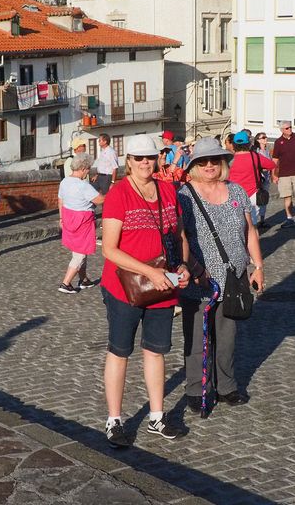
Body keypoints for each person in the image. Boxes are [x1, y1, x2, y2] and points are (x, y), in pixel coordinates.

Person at [100, 134, 190, 447]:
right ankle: (114, 420)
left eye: (150, 157)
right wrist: (150, 270)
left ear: (159, 158)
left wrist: (184, 266)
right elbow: (109, 250)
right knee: (120, 352)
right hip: (124, 287)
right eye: (139, 158)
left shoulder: (168, 190)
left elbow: (179, 236)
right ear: (129, 162)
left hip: (162, 286)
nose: (145, 163)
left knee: (156, 350)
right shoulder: (119, 194)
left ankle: (157, 416)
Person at [178, 137, 265, 413]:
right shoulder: (184, 196)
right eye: (202, 161)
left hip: (233, 276)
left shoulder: (237, 192)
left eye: (215, 160)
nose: (209, 166)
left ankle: (226, 386)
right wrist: (193, 268)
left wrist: (258, 266)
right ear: (193, 165)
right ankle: (197, 388)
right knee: (196, 338)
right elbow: (179, 238)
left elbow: (249, 230)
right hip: (199, 279)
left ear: (223, 163)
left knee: (227, 336)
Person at [58, 152, 105, 293]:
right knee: (80, 254)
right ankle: (65, 283)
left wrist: (61, 219)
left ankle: (83, 279)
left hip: (68, 217)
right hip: (82, 220)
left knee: (78, 250)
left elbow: (61, 201)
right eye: (88, 168)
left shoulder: (64, 181)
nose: (88, 172)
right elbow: (99, 200)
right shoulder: (83, 186)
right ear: (83, 168)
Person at [228, 131, 275, 228]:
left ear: (234, 144)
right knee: (252, 225)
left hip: (234, 194)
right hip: (253, 194)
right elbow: (271, 165)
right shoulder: (255, 156)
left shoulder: (230, 159)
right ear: (248, 143)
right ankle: (253, 242)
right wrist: (259, 167)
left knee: (237, 224)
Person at [253, 132, 273, 229]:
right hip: (259, 178)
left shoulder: (267, 151)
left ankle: (262, 220)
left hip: (267, 178)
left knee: (264, 199)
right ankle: (254, 221)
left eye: (266, 137)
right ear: (258, 140)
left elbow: (271, 163)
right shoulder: (257, 152)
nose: (265, 139)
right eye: (263, 137)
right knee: (257, 199)